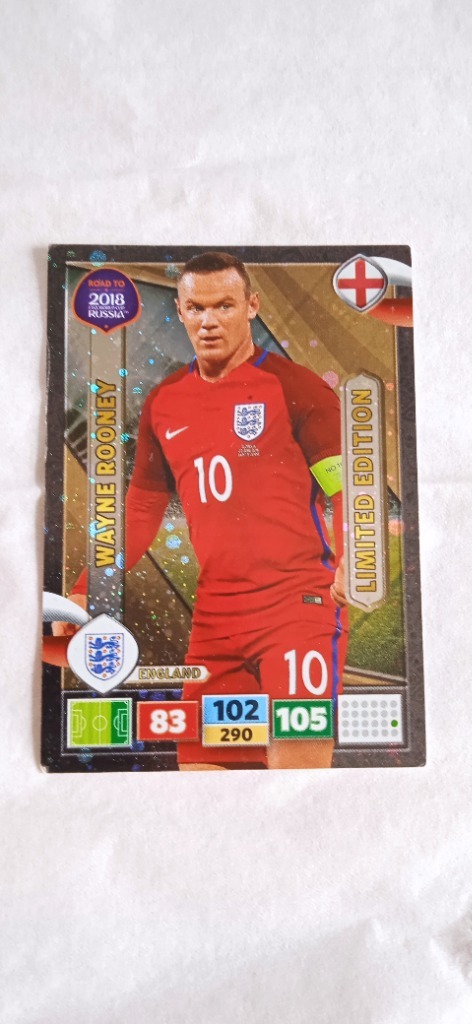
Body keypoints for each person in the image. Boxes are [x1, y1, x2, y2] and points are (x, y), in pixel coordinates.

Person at [55, 252, 348, 770]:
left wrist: (352, 558)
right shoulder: (165, 402)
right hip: (215, 620)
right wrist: (89, 586)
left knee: (297, 776)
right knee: (199, 777)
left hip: (296, 609)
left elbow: (348, 487)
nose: (209, 321)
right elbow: (142, 508)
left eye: (224, 306)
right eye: (197, 308)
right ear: (181, 311)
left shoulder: (297, 388)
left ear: (252, 306)